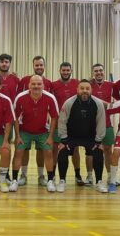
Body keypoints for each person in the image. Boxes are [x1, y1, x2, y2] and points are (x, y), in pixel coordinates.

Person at [57, 79, 108, 193]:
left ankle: (99, 181)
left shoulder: (98, 103)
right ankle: (62, 181)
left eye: (87, 89)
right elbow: (62, 121)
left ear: (91, 90)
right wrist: (63, 139)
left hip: (90, 137)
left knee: (99, 152)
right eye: (82, 88)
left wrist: (98, 141)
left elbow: (101, 122)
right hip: (72, 136)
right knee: (62, 151)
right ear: (77, 90)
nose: (84, 91)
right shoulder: (69, 102)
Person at [10, 75, 59, 192]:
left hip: (43, 131)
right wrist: (17, 136)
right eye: (33, 84)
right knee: (19, 151)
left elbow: (54, 118)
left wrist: (51, 137)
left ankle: (49, 180)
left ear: (43, 85)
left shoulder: (50, 98)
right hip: (24, 131)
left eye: (38, 84)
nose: (36, 86)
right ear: (29, 86)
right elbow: (15, 118)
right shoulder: (20, 97)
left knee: (48, 151)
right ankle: (16, 179)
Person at [17, 56, 53, 186]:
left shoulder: (49, 83)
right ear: (33, 66)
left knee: (41, 150)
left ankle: (41, 176)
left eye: (41, 65)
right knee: (24, 150)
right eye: (36, 65)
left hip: (42, 125)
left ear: (44, 66)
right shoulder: (24, 80)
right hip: (25, 125)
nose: (39, 67)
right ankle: (23, 175)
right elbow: (19, 100)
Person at [51, 62, 82, 185]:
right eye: (63, 70)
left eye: (67, 70)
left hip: (74, 123)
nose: (65, 72)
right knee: (55, 148)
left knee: (75, 149)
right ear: (60, 71)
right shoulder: (54, 85)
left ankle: (77, 175)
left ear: (71, 71)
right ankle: (52, 175)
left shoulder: (77, 83)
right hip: (59, 122)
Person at [89, 64, 115, 185]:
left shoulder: (111, 85)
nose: (98, 72)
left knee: (108, 150)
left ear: (104, 72)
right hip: (91, 124)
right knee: (90, 151)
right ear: (93, 73)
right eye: (96, 71)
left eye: (100, 70)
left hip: (107, 123)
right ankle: (90, 176)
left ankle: (110, 176)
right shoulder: (88, 85)